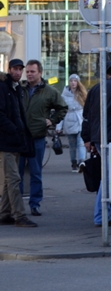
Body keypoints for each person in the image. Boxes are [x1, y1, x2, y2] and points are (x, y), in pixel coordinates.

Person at [18, 59, 67, 216]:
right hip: (19, 138)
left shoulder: (50, 91)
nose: (29, 74)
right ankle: (16, 205)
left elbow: (63, 108)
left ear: (40, 73)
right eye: (28, 71)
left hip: (37, 137)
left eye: (33, 71)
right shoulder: (20, 89)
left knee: (35, 172)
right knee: (15, 174)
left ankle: (35, 204)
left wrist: (52, 121)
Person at [82, 63, 111, 227]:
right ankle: (101, 216)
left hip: (99, 137)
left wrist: (88, 138)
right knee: (110, 176)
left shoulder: (96, 88)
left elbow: (87, 115)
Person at [0, 59, 36, 227]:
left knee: (9, 180)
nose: (18, 72)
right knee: (14, 179)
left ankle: (5, 213)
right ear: (9, 69)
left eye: (20, 69)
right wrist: (14, 129)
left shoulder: (16, 89)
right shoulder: (4, 87)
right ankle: (19, 215)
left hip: (15, 140)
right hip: (6, 141)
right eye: (15, 69)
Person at [61, 74, 88, 172]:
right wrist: (58, 126)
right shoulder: (64, 95)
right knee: (72, 145)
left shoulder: (82, 94)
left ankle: (82, 161)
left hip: (80, 120)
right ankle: (74, 162)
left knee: (81, 142)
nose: (73, 83)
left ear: (78, 82)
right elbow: (61, 111)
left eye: (75, 81)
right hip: (69, 120)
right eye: (71, 81)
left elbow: (87, 109)